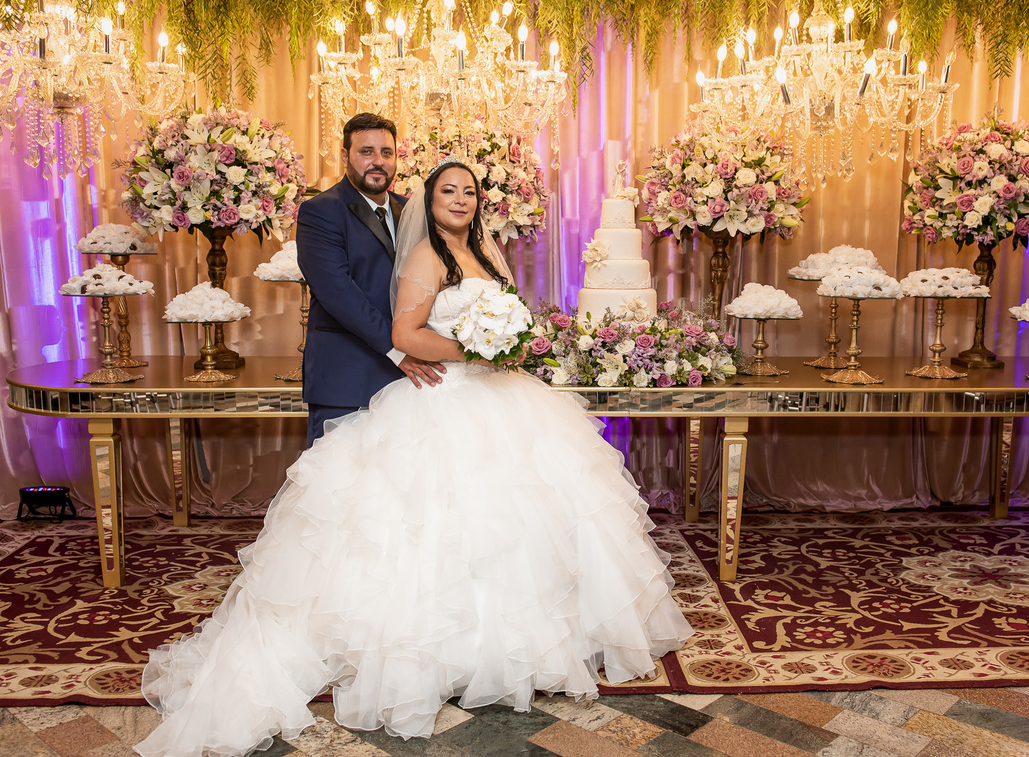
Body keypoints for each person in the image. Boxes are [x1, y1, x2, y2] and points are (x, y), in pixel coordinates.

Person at [134, 158, 694, 757]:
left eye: (470, 191)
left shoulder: (488, 253)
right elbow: (405, 333)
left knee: (529, 520)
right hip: (445, 395)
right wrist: (474, 349)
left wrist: (509, 343)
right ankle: (439, 653)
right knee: (433, 526)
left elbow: (507, 322)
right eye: (448, 190)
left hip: (503, 396)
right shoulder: (427, 257)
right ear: (427, 202)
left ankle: (520, 646)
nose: (460, 199)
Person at [296, 112, 445, 447]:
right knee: (338, 485)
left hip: (411, 378)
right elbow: (338, 293)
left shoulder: (411, 211)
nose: (378, 162)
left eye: (387, 153)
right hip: (348, 375)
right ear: (345, 155)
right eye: (367, 152)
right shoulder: (319, 212)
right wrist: (399, 349)